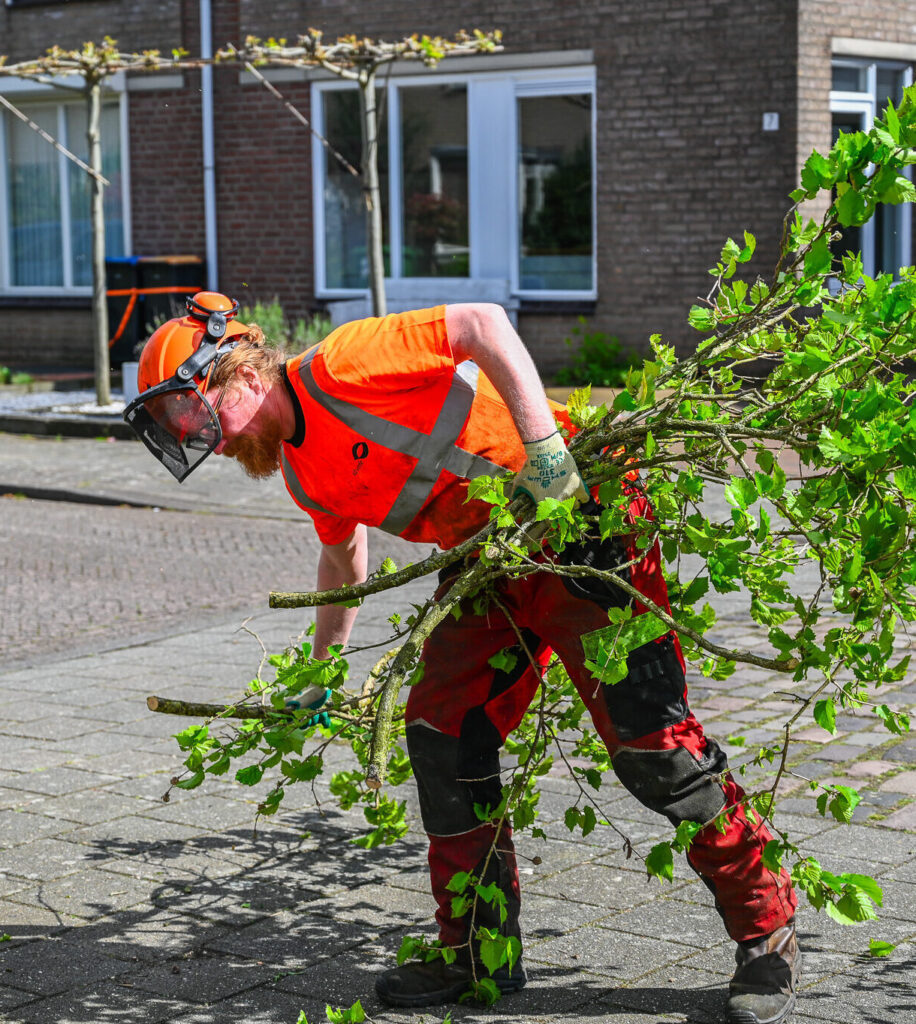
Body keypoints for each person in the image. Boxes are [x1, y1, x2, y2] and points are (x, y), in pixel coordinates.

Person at [125, 291, 801, 1024]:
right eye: (184, 429)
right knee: (443, 733)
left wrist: (547, 449)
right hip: (490, 562)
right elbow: (340, 555)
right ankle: (480, 955)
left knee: (652, 747)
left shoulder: (344, 363)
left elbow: (484, 324)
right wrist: (324, 669)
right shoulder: (301, 472)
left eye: (198, 414)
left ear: (244, 376)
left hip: (578, 518)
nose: (206, 439)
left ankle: (769, 930)